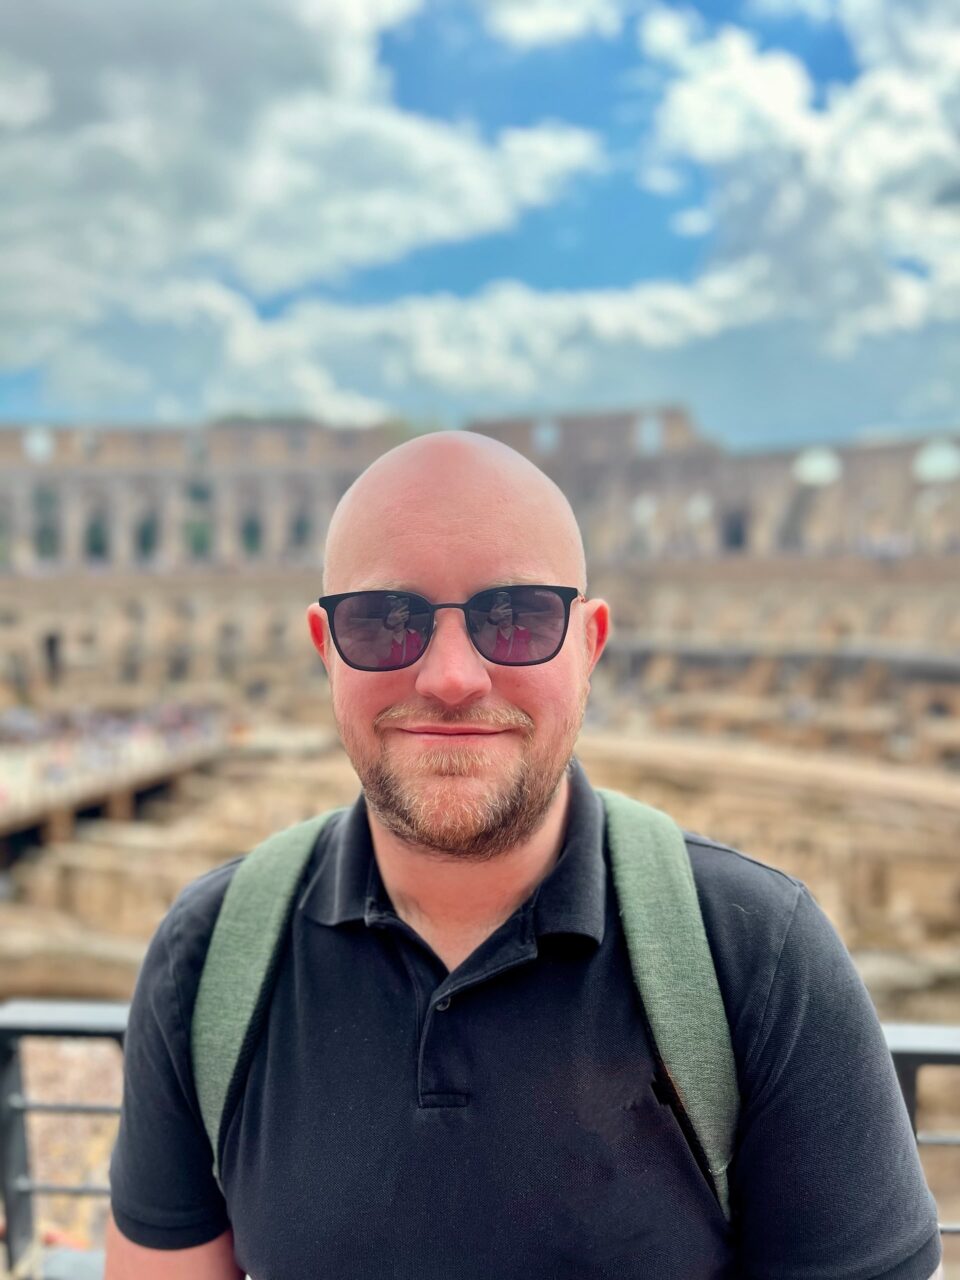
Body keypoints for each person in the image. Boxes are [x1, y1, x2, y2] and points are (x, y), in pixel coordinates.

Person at [106, 432, 943, 1279]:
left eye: (517, 617)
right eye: (385, 622)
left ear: (590, 644)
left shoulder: (762, 955)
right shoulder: (205, 960)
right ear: (326, 648)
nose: (452, 676)